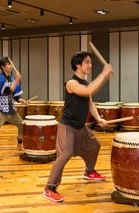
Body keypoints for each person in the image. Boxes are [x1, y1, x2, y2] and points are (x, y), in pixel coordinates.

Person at [42, 51, 113, 202]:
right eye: (87, 62)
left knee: (95, 146)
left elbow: (89, 102)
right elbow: (89, 91)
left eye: (90, 62)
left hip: (80, 126)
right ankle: (50, 188)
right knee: (65, 155)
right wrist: (104, 74)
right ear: (78, 65)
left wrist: (99, 119)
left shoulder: (86, 84)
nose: (90, 65)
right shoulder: (71, 83)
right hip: (67, 126)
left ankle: (89, 171)